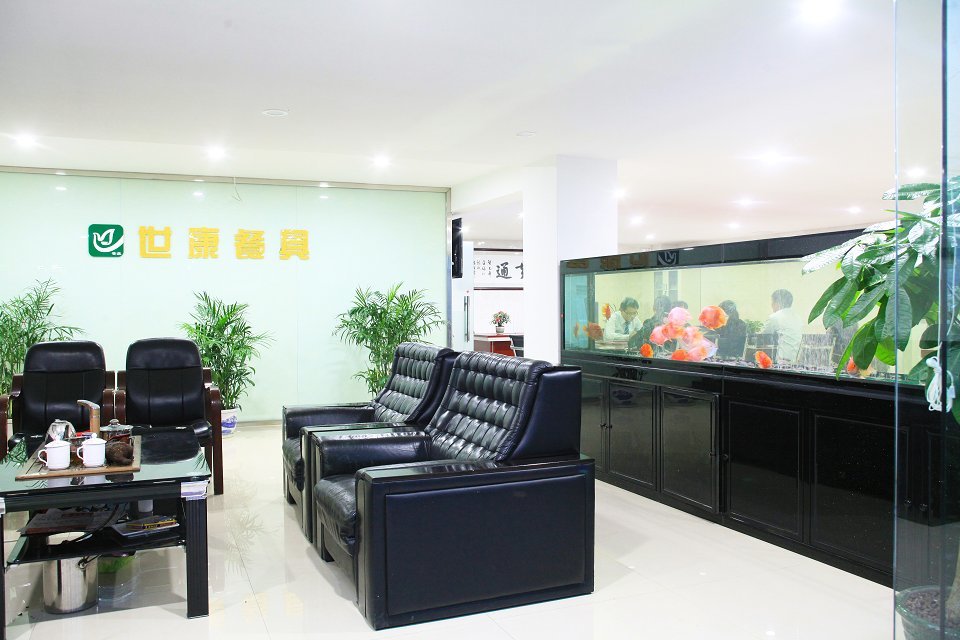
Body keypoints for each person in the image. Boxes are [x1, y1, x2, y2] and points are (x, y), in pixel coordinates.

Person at [762, 288, 803, 363]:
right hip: (796, 360)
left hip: (781, 361)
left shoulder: (775, 317)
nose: (771, 305)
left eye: (772, 302)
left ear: (777, 303)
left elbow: (762, 336)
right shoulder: (798, 317)